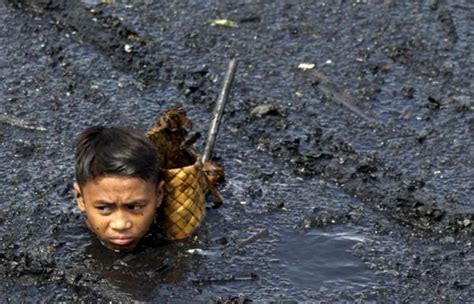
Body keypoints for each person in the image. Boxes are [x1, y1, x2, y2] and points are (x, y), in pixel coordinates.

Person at [73, 126, 164, 252]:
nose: (120, 225)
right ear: (80, 198)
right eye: (104, 208)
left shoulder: (175, 233)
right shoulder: (65, 243)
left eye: (134, 207)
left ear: (159, 194)